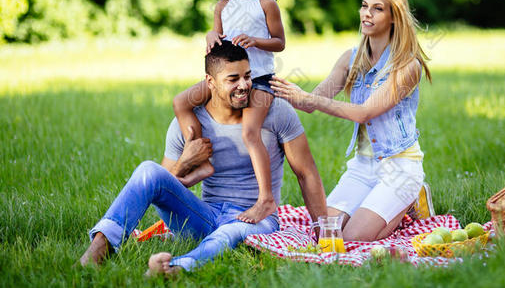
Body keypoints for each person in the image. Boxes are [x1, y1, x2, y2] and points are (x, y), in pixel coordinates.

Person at [79, 41, 326, 274]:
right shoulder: (189, 123)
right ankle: (97, 251)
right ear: (210, 82)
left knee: (229, 232)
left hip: (256, 220)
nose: (244, 85)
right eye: (233, 79)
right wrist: (185, 162)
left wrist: (324, 234)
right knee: (147, 170)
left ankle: (176, 268)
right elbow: (162, 185)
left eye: (248, 76)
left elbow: (306, 174)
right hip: (204, 215)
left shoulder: (276, 112)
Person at [270, 0, 432, 242]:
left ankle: (412, 197)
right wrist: (278, 88)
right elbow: (312, 102)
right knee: (324, 235)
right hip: (362, 167)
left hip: (399, 169)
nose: (367, 13)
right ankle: (384, 204)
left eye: (378, 9)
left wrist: (308, 100)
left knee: (352, 239)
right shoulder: (351, 58)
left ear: (394, 17)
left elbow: (364, 113)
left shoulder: (407, 66)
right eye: (364, 5)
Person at [173, 0, 285, 224]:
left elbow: (280, 42)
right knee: (181, 103)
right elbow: (216, 40)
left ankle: (266, 199)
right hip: (226, 82)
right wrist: (211, 35)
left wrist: (256, 41)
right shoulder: (222, 7)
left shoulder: (266, 3)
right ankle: (201, 161)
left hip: (258, 79)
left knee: (250, 132)